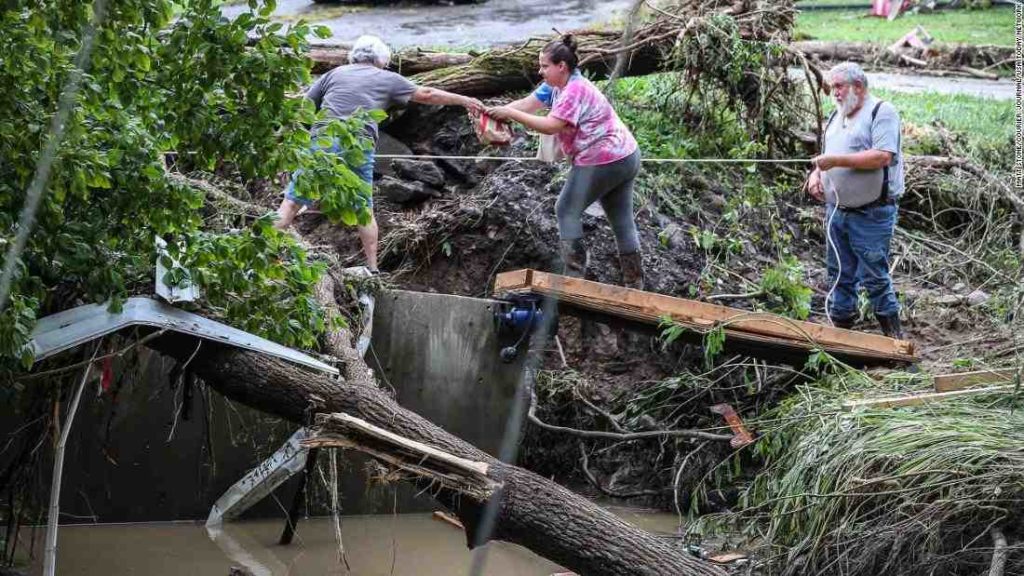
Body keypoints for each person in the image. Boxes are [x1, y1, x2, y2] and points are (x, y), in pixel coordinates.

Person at [275, 35, 484, 272]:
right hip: (357, 144)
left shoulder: (334, 74)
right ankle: (372, 269)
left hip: (322, 139)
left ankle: (264, 250)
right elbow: (426, 94)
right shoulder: (387, 78)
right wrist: (466, 100)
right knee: (363, 209)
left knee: (291, 202)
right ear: (382, 59)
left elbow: (306, 108)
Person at [486, 35, 645, 289]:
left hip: (604, 158)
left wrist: (510, 114)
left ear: (562, 66)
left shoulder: (574, 90)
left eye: (544, 66)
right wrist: (494, 114)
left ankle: (574, 279)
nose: (540, 72)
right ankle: (635, 286)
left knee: (565, 209)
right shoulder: (555, 86)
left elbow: (551, 126)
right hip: (626, 155)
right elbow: (527, 105)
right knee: (621, 220)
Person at [806, 62, 906, 339]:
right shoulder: (836, 116)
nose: (834, 92)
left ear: (858, 87)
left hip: (872, 212)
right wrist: (816, 174)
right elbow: (827, 154)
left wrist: (834, 162)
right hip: (838, 209)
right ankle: (841, 333)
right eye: (832, 87)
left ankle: (894, 339)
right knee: (838, 272)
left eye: (839, 86)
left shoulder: (881, 112)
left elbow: (882, 156)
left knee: (874, 275)